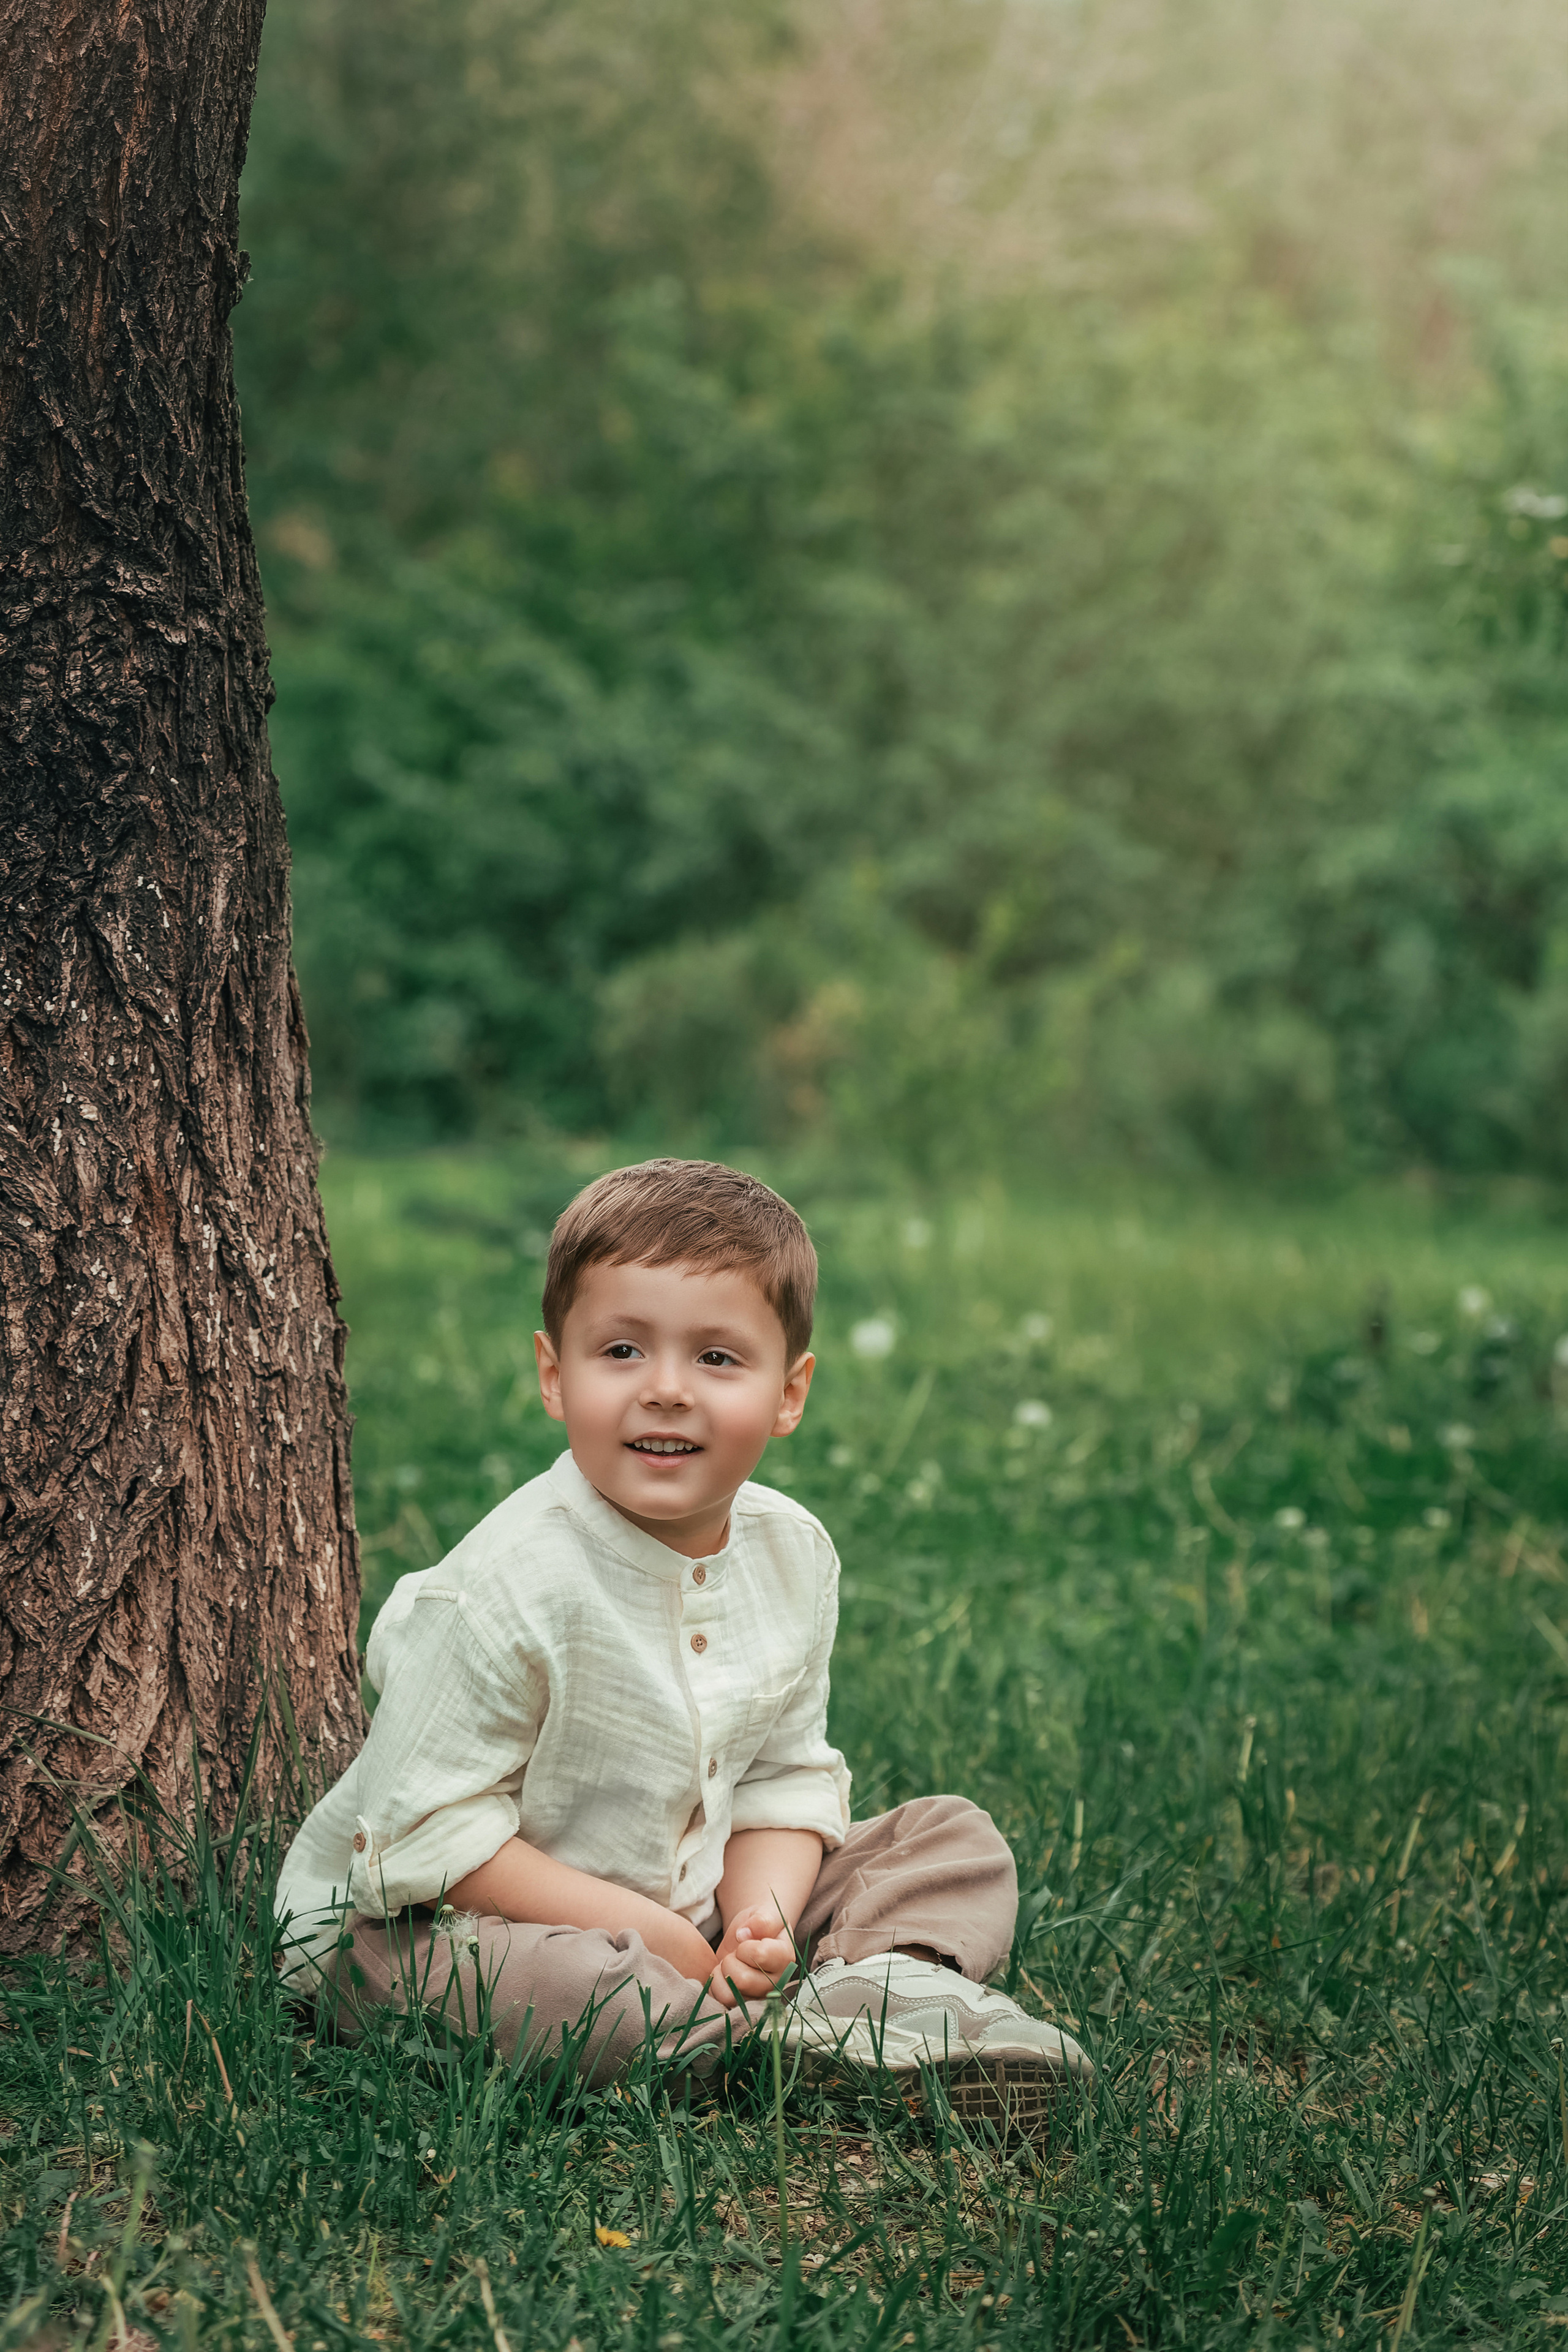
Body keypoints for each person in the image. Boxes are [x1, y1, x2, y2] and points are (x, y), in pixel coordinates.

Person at [276, 1159, 1090, 2133]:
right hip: (441, 1922)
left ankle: (866, 1992)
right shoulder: (505, 1584)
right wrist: (659, 1935)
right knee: (574, 1996)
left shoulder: (793, 1555)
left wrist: (760, 1926)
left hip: (695, 1900)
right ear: (555, 1375)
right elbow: (428, 1837)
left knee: (949, 1841)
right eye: (622, 1350)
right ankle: (762, 2042)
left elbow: (780, 1778)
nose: (665, 1390)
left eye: (716, 1358)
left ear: (789, 1394)